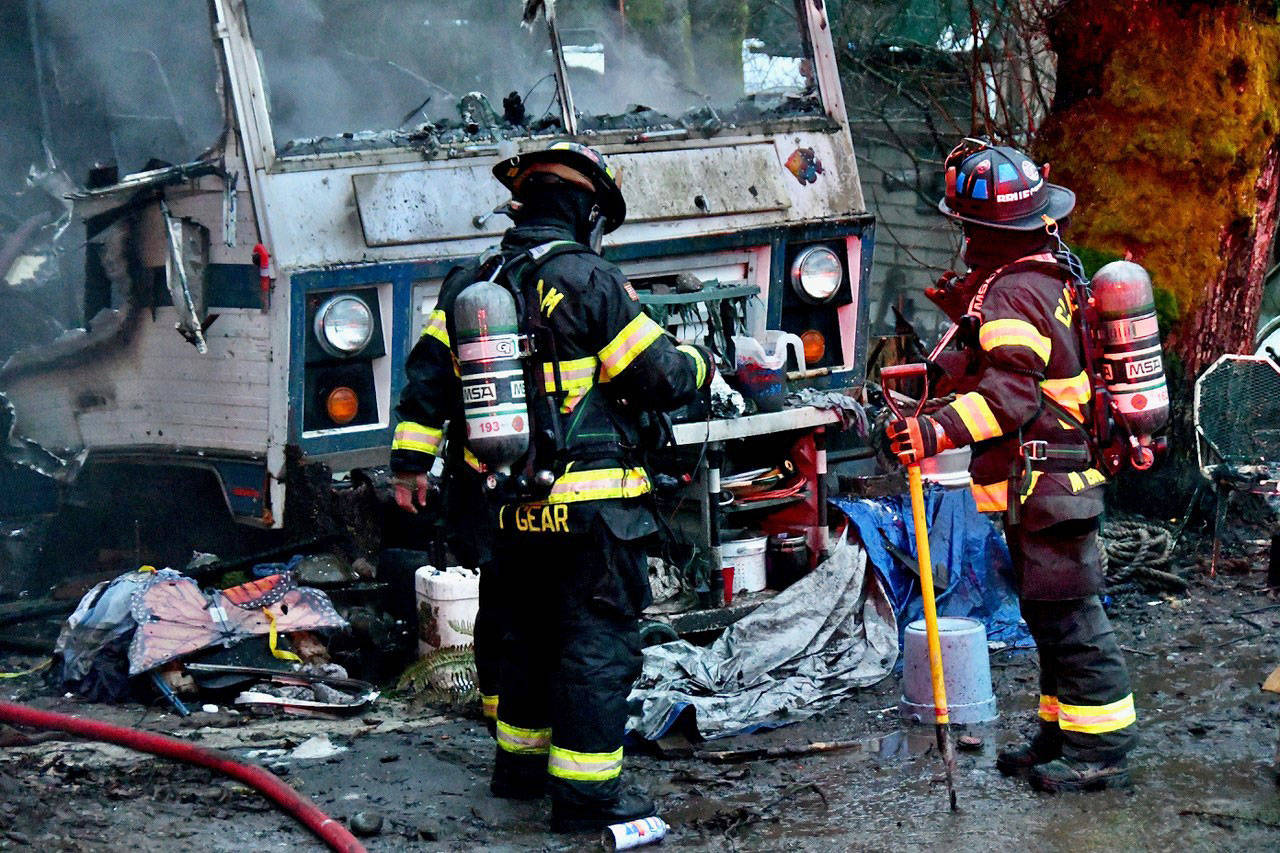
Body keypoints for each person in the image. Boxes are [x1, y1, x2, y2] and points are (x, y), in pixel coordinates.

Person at [390, 141, 713, 831]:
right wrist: (702, 363)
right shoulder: (591, 280)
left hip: (506, 510)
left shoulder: (472, 285)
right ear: (587, 211)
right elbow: (660, 378)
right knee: (596, 644)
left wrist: (409, 468)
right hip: (592, 510)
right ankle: (587, 795)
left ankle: (519, 771)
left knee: (525, 637)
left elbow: (425, 385)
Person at [886, 138, 1136, 793]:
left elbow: (1011, 395)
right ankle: (1062, 735)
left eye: (966, 225)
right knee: (1049, 616)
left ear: (985, 230)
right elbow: (999, 369)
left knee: (1075, 624)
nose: (961, 236)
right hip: (1046, 483)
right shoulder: (1036, 275)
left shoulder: (1015, 294)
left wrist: (933, 428)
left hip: (1047, 481)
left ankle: (1100, 750)